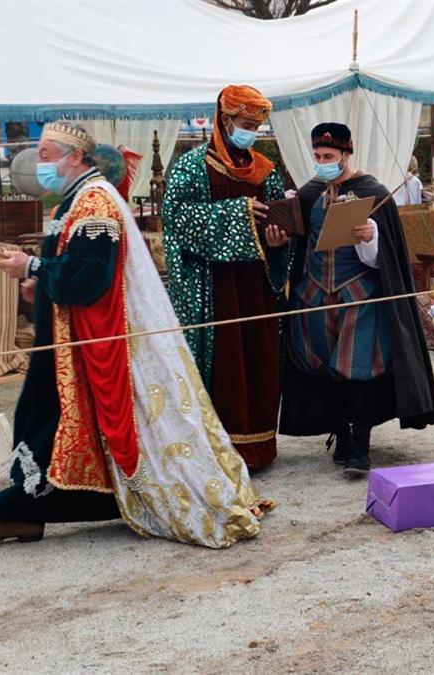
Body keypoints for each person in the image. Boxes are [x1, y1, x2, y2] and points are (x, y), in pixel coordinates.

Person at [0, 122, 270, 547]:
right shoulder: (73, 201)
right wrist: (43, 281)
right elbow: (75, 267)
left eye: (47, 153)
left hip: (89, 340)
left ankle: (21, 511)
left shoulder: (93, 204)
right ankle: (32, 510)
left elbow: (91, 277)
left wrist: (32, 268)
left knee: (41, 417)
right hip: (69, 338)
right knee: (49, 419)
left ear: (75, 157)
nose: (40, 163)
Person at [280, 123, 434, 477]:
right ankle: (342, 434)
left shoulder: (372, 191)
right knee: (326, 368)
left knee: (359, 370)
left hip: (360, 296)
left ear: (346, 154)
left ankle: (361, 448)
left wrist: (371, 234)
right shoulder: (308, 194)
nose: (322, 162)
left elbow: (385, 258)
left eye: (329, 156)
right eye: (318, 156)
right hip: (315, 297)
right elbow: (296, 247)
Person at [162, 84, 292, 470]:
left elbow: (277, 223)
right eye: (244, 122)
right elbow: (177, 220)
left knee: (259, 359)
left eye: (256, 124)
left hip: (256, 285)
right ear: (224, 118)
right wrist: (237, 215)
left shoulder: (265, 170)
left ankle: (259, 448)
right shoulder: (191, 167)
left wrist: (278, 239)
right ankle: (216, 450)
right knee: (223, 365)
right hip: (213, 288)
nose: (250, 130)